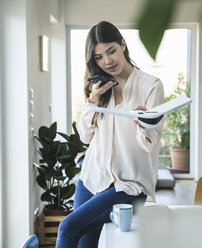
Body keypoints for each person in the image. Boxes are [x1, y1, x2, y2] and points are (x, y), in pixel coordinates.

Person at [56, 21, 164, 248]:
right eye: (98, 57)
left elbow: (149, 146)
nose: (107, 61)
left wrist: (143, 123)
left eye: (111, 51)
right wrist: (92, 100)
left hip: (129, 185)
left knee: (67, 227)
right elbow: (85, 137)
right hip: (91, 179)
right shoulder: (99, 87)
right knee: (85, 244)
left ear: (123, 44)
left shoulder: (151, 86)